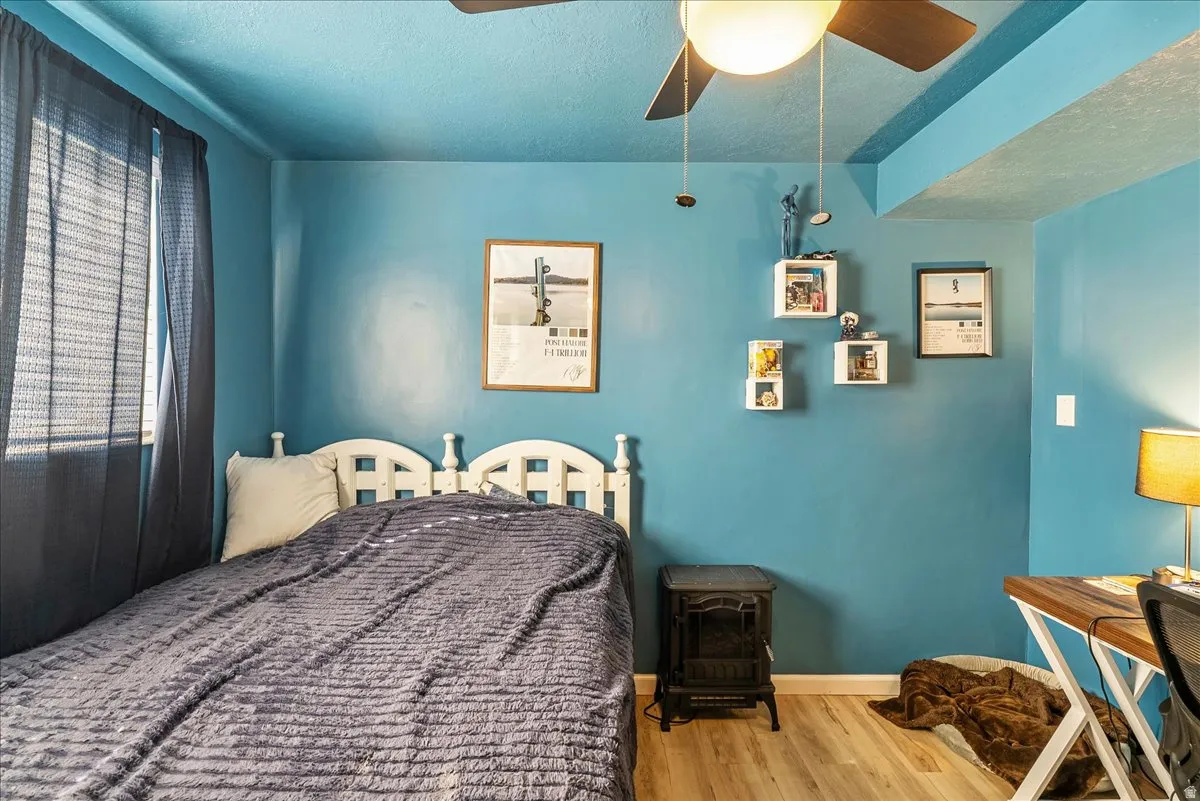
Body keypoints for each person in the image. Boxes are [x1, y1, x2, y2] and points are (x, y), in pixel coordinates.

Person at [780, 184, 800, 259]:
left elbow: (793, 205)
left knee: (788, 237)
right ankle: (783, 254)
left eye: (796, 190)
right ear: (791, 189)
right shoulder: (787, 196)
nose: (794, 191)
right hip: (785, 217)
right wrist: (786, 211)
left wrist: (796, 212)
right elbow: (780, 202)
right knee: (783, 236)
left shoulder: (792, 198)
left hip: (789, 217)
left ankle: (788, 254)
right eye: (794, 189)